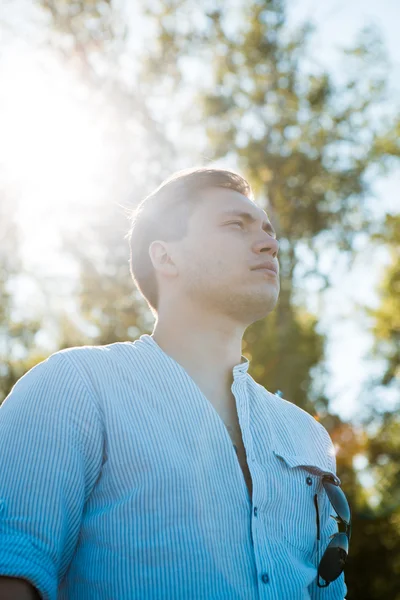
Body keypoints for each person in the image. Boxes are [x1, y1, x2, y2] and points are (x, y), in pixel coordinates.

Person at [0, 167, 347, 599]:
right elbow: (13, 570)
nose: (269, 244)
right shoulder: (74, 386)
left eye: (268, 231)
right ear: (166, 257)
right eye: (235, 225)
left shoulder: (309, 437)